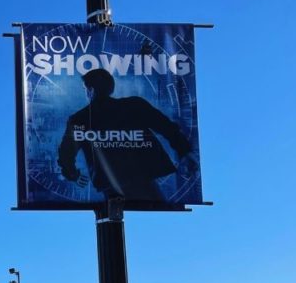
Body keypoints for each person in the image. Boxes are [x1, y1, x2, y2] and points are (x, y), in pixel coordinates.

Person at [58, 68, 198, 203]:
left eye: (85, 89)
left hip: (111, 184)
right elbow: (166, 127)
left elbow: (66, 153)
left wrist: (72, 174)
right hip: (143, 177)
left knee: (114, 214)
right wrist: (184, 150)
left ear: (91, 90)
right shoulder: (135, 105)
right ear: (110, 88)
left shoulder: (79, 118)